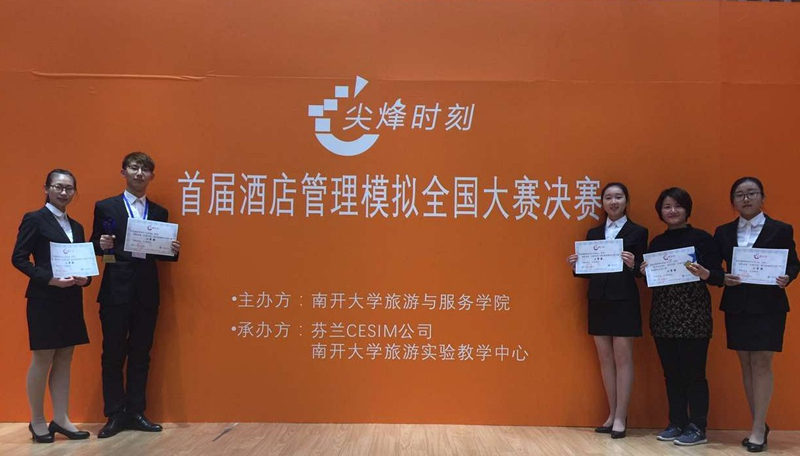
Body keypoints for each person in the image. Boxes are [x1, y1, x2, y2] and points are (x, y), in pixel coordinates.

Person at [90, 152, 181, 438]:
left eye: (145, 169)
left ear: (152, 176)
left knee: (141, 353)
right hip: (115, 289)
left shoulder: (159, 212)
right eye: (134, 168)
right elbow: (95, 245)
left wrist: (173, 250)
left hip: (146, 291)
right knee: (113, 354)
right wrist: (101, 244)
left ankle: (137, 411)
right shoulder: (106, 206)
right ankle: (115, 414)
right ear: (124, 172)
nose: (139, 173)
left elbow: (162, 255)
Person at [714, 177, 799, 453]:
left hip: (769, 305)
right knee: (746, 364)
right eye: (740, 194)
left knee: (762, 362)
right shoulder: (724, 232)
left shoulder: (781, 229)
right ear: (733, 201)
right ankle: (758, 423)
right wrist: (722, 277)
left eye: (752, 193)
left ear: (763, 197)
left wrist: (788, 277)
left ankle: (758, 428)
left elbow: (793, 264)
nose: (746, 198)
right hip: (737, 305)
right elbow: (714, 266)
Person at [11, 169, 92, 443]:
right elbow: (18, 258)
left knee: (65, 358)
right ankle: (36, 420)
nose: (64, 192)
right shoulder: (34, 219)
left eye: (69, 188)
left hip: (70, 299)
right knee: (43, 358)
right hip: (44, 299)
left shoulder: (77, 226)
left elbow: (82, 262)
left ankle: (61, 418)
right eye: (58, 186)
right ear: (46, 188)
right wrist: (49, 279)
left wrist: (85, 279)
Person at [639, 188, 724, 446]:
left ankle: (697, 426)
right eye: (667, 206)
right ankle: (676, 422)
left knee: (694, 374)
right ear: (660, 212)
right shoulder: (657, 243)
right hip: (664, 315)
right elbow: (652, 280)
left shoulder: (702, 239)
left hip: (693, 315)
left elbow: (718, 276)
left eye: (678, 206)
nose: (672, 211)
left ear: (687, 209)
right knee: (672, 374)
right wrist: (644, 271)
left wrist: (705, 273)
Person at [567, 182, 647, 439]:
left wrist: (633, 265)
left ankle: (622, 416)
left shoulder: (638, 231)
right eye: (608, 198)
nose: (613, 202)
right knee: (605, 360)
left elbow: (643, 271)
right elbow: (590, 271)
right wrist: (577, 266)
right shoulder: (593, 233)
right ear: (602, 203)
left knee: (623, 358)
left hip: (624, 300)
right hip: (599, 299)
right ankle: (612, 414)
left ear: (626, 201)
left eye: (618, 197)